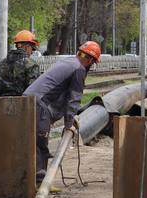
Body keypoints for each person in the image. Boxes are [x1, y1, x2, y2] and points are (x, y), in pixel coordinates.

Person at [24, 41, 102, 181]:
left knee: (29, 141)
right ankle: (40, 183)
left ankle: (30, 180)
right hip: (40, 104)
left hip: (28, 101)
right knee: (40, 144)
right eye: (92, 63)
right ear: (90, 60)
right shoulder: (79, 69)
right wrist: (69, 124)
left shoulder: (68, 62)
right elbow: (74, 99)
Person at [0, 30, 43, 97]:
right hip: (24, 102)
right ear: (27, 47)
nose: (32, 52)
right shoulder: (31, 65)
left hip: (3, 102)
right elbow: (34, 90)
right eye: (33, 48)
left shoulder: (1, 64)